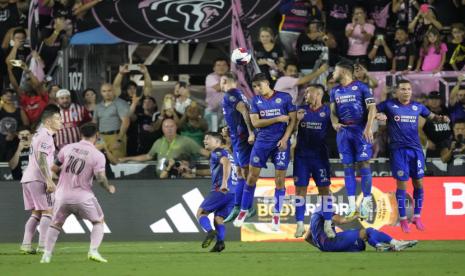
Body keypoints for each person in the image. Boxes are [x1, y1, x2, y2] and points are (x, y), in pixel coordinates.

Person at [376, 79, 450, 233]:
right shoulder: (389, 105)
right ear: (397, 91)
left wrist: (441, 118)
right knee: (402, 184)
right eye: (403, 89)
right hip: (398, 151)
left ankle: (417, 216)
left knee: (419, 183)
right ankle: (403, 219)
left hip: (416, 150)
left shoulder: (418, 107)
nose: (406, 92)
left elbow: (432, 117)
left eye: (408, 89)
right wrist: (378, 115)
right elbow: (371, 110)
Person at [40, 122, 116, 264]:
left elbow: (53, 169)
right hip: (82, 196)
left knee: (55, 224)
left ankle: (46, 255)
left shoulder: (67, 148)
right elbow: (100, 179)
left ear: (80, 134)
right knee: (98, 221)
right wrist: (108, 188)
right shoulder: (98, 155)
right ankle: (93, 251)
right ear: (97, 135)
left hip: (61, 196)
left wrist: (52, 182)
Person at [233, 73, 296, 231]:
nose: (256, 89)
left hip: (281, 143)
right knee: (252, 177)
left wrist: (286, 138)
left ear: (267, 83)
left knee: (280, 180)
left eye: (259, 85)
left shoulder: (285, 97)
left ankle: (276, 215)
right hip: (262, 143)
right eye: (254, 86)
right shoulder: (256, 101)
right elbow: (255, 122)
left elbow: (292, 120)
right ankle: (244, 210)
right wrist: (276, 119)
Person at [329, 61, 377, 219]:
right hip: (343, 132)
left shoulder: (362, 87)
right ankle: (351, 206)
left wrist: (369, 127)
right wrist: (334, 122)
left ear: (343, 70)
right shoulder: (334, 91)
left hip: (360, 130)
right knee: (347, 166)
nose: (333, 73)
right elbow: (333, 112)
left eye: (335, 69)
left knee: (364, 163)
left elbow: (372, 107)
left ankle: (366, 202)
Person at [20, 104, 62, 254]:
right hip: (39, 179)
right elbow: (42, 158)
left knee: (36, 214)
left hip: (28, 178)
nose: (61, 121)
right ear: (48, 122)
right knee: (48, 212)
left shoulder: (38, 134)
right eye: (57, 118)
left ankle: (26, 244)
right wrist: (49, 180)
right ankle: (43, 245)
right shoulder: (46, 136)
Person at [293, 84, 333, 238]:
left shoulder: (328, 111)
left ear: (318, 94)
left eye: (308, 92)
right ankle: (299, 225)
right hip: (302, 157)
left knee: (325, 191)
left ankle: (328, 224)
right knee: (299, 191)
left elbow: (335, 126)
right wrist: (297, 121)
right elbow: (291, 131)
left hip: (320, 157)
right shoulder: (301, 110)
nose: (306, 95)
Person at [219, 72, 255, 223]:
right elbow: (237, 115)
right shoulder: (239, 94)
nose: (219, 84)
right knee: (240, 172)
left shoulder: (231, 94)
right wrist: (229, 128)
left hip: (242, 138)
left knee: (245, 172)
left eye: (221, 81)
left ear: (226, 80)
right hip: (236, 137)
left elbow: (245, 111)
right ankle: (238, 206)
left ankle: (248, 206)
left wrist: (251, 132)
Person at [119, 118, 209, 177]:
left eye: (171, 126)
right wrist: (127, 158)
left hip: (178, 178)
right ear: (162, 128)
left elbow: (203, 152)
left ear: (176, 127)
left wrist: (219, 155)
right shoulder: (158, 142)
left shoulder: (186, 141)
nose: (169, 129)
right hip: (160, 178)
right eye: (166, 126)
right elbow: (148, 156)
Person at [305, 209, 418, 252]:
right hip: (333, 242)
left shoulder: (315, 215)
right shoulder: (325, 209)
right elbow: (341, 221)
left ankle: (384, 247)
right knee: (366, 231)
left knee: (360, 245)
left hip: (327, 246)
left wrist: (322, 247)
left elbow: (306, 237)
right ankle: (395, 243)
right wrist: (356, 215)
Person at [197, 132, 234, 252]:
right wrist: (192, 171)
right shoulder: (230, 153)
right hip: (233, 193)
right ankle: (220, 243)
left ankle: (210, 232)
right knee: (218, 218)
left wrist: (224, 183)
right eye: (204, 138)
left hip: (221, 190)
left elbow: (226, 163)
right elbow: (216, 169)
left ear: (218, 141)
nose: (204, 140)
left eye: (207, 138)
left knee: (201, 213)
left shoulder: (217, 152)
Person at [92, 83, 130, 159]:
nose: (107, 93)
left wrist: (119, 139)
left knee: (117, 162)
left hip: (116, 135)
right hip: (101, 137)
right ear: (101, 92)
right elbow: (94, 123)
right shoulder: (98, 106)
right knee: (99, 161)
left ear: (114, 91)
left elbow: (126, 122)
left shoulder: (121, 103)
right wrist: (95, 138)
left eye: (109, 91)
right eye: (104, 91)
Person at [421, 91, 451, 158]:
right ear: (428, 100)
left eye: (437, 99)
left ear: (440, 100)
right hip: (432, 147)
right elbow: (417, 129)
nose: (434, 101)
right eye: (432, 99)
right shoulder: (424, 112)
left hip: (447, 145)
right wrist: (426, 142)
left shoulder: (445, 110)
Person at [205, 58, 229, 131]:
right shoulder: (210, 77)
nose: (221, 67)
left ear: (228, 67)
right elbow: (219, 87)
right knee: (214, 133)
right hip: (213, 112)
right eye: (218, 65)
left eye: (224, 65)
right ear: (214, 68)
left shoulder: (231, 77)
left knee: (226, 133)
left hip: (227, 112)